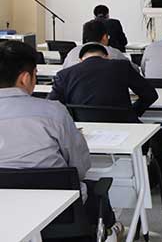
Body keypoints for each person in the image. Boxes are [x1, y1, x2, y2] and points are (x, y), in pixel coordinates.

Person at [0, 41, 123, 241]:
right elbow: (80, 166)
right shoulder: (53, 112)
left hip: (5, 215)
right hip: (61, 215)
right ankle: (110, 230)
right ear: (25, 78)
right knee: (93, 190)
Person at [51, 43, 162, 184]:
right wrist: (133, 112)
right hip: (127, 132)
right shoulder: (121, 66)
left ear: (80, 60)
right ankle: (155, 179)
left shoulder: (64, 75)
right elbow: (150, 95)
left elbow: (52, 107)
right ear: (107, 57)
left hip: (85, 135)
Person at [62, 20, 133, 69]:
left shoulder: (72, 53)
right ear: (104, 37)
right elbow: (134, 70)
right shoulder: (115, 54)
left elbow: (64, 70)